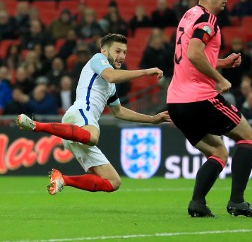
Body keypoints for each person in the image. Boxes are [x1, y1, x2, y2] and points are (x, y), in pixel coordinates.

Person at [166, 0, 252, 218]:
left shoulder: (188, 16)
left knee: (218, 152)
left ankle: (197, 204)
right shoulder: (208, 19)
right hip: (199, 98)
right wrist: (219, 78)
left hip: (175, 102)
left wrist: (219, 62)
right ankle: (237, 202)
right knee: (248, 138)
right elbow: (193, 54)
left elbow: (187, 56)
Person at [16, 33, 168, 195]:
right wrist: (145, 72)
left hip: (79, 130)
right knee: (93, 137)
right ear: (104, 51)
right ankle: (35, 125)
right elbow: (111, 75)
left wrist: (152, 119)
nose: (122, 56)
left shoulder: (110, 86)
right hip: (81, 114)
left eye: (124, 52)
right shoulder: (97, 59)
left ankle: (62, 179)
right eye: (117, 51)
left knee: (113, 182)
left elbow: (119, 111)